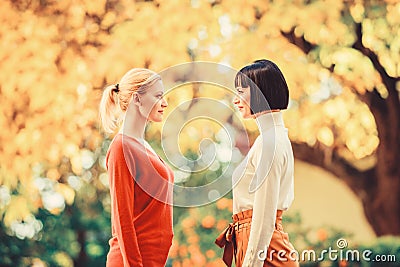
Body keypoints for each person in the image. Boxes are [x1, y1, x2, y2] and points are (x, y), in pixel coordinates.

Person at [216, 59, 299, 267]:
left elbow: (264, 220)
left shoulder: (270, 142)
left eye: (241, 92)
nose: (235, 100)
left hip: (265, 250)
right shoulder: (272, 138)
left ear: (262, 93)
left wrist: (251, 263)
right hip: (259, 244)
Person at [99, 68, 174, 266]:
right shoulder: (121, 147)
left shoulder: (144, 146)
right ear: (137, 99)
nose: (164, 103)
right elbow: (122, 218)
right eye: (158, 96)